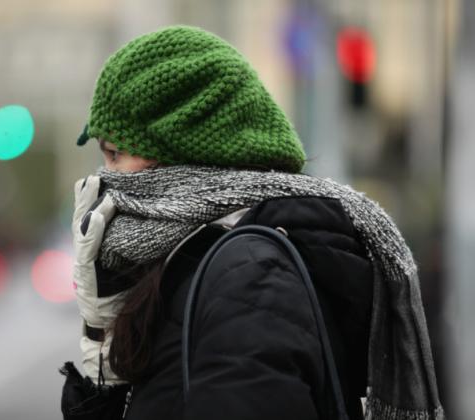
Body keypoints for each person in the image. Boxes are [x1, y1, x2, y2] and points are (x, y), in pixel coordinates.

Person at [60, 25, 445, 420]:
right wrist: (103, 340)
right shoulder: (198, 262)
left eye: (114, 154)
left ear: (183, 151)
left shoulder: (248, 278)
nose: (104, 178)